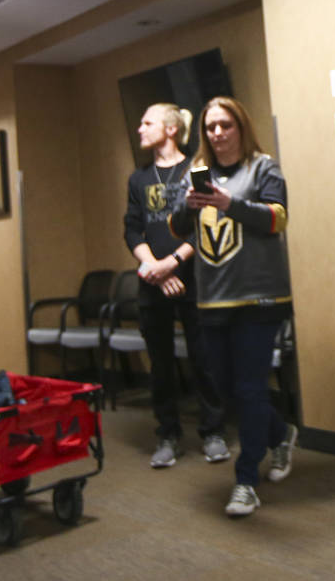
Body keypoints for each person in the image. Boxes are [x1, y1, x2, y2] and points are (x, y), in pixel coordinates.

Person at [168, 96, 297, 517]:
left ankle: (246, 481)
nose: (217, 134)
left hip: (259, 297)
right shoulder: (195, 174)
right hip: (212, 297)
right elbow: (174, 226)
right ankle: (280, 434)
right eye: (210, 127)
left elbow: (278, 218)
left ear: (241, 127)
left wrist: (231, 205)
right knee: (225, 389)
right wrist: (186, 208)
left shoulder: (262, 167)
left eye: (225, 125)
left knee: (249, 387)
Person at [123, 102, 226, 469]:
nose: (140, 129)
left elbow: (204, 224)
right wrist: (154, 266)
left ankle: (213, 433)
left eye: (146, 122)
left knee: (203, 360)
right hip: (153, 284)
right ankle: (167, 435)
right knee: (161, 365)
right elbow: (132, 229)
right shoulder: (138, 178)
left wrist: (172, 264)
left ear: (169, 129)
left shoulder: (195, 170)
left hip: (192, 280)